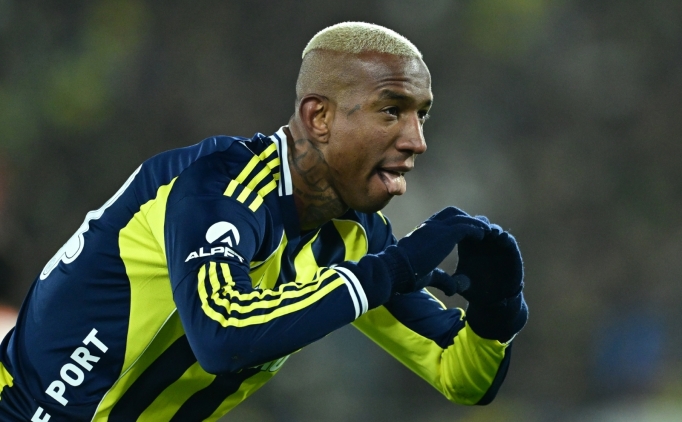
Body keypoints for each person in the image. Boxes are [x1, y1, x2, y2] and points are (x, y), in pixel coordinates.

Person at [0, 22, 528, 421]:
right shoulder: (214, 187)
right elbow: (221, 336)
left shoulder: (354, 238)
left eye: (422, 114)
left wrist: (496, 313)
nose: (416, 141)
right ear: (319, 117)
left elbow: (461, 377)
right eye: (392, 110)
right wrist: (390, 271)